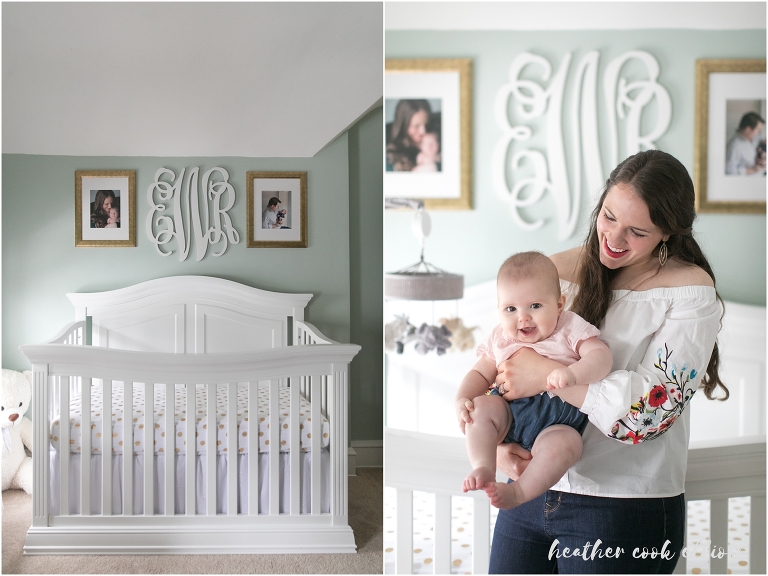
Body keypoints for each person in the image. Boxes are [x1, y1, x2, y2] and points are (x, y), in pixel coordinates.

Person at [488, 150, 727, 574]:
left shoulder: (689, 291)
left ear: (668, 233)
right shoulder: (552, 273)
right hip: (528, 492)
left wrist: (548, 377)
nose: (614, 238)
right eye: (609, 216)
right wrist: (501, 445)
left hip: (623, 506)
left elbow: (650, 413)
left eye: (637, 230)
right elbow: (498, 361)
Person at [455, 252, 613, 510]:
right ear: (499, 310)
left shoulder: (570, 327)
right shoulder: (500, 338)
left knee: (567, 444)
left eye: (535, 306)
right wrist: (461, 399)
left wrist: (573, 374)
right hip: (507, 413)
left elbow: (601, 357)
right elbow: (480, 374)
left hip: (557, 422)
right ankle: (483, 467)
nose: (523, 317)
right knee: (480, 409)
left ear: (559, 305)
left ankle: (518, 492)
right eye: (511, 309)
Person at [386, 99, 432, 171]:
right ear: (403, 125)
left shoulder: (434, 137)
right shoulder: (390, 158)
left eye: (426, 124)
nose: (423, 131)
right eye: (416, 126)